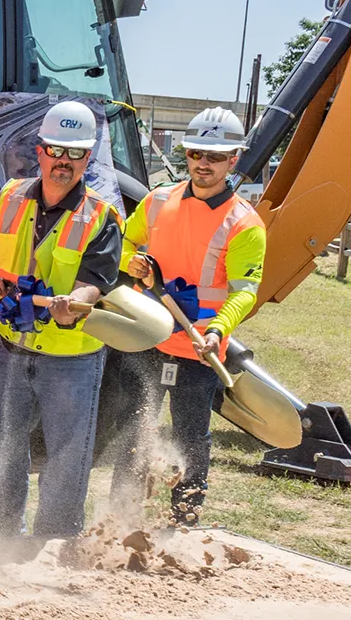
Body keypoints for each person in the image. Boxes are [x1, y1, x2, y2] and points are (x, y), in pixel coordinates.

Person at [105, 107, 265, 526]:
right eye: (196, 154)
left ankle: (183, 519)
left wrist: (217, 330)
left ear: (235, 159)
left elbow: (245, 292)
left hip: (199, 348)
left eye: (215, 156)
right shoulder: (159, 201)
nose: (204, 164)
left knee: (191, 436)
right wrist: (132, 260)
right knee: (133, 427)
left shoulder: (244, 223)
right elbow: (123, 243)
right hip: (147, 337)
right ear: (187, 155)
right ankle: (122, 516)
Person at [0, 101, 123, 538]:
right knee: (2, 444)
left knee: (67, 453)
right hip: (10, 350)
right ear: (39, 150)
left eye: (75, 153)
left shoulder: (101, 215)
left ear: (88, 158)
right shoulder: (8, 198)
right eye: (56, 150)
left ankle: (55, 541)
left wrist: (73, 302)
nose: (64, 162)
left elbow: (96, 279)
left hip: (71, 357)